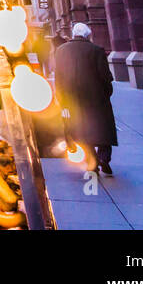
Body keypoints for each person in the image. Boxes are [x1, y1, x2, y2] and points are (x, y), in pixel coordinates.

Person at [54, 22, 117, 175]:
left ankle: (93, 161)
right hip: (96, 97)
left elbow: (59, 77)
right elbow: (105, 76)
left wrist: (61, 98)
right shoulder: (96, 50)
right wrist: (107, 92)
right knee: (103, 129)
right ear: (87, 34)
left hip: (72, 98)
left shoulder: (61, 51)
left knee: (82, 131)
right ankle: (104, 158)